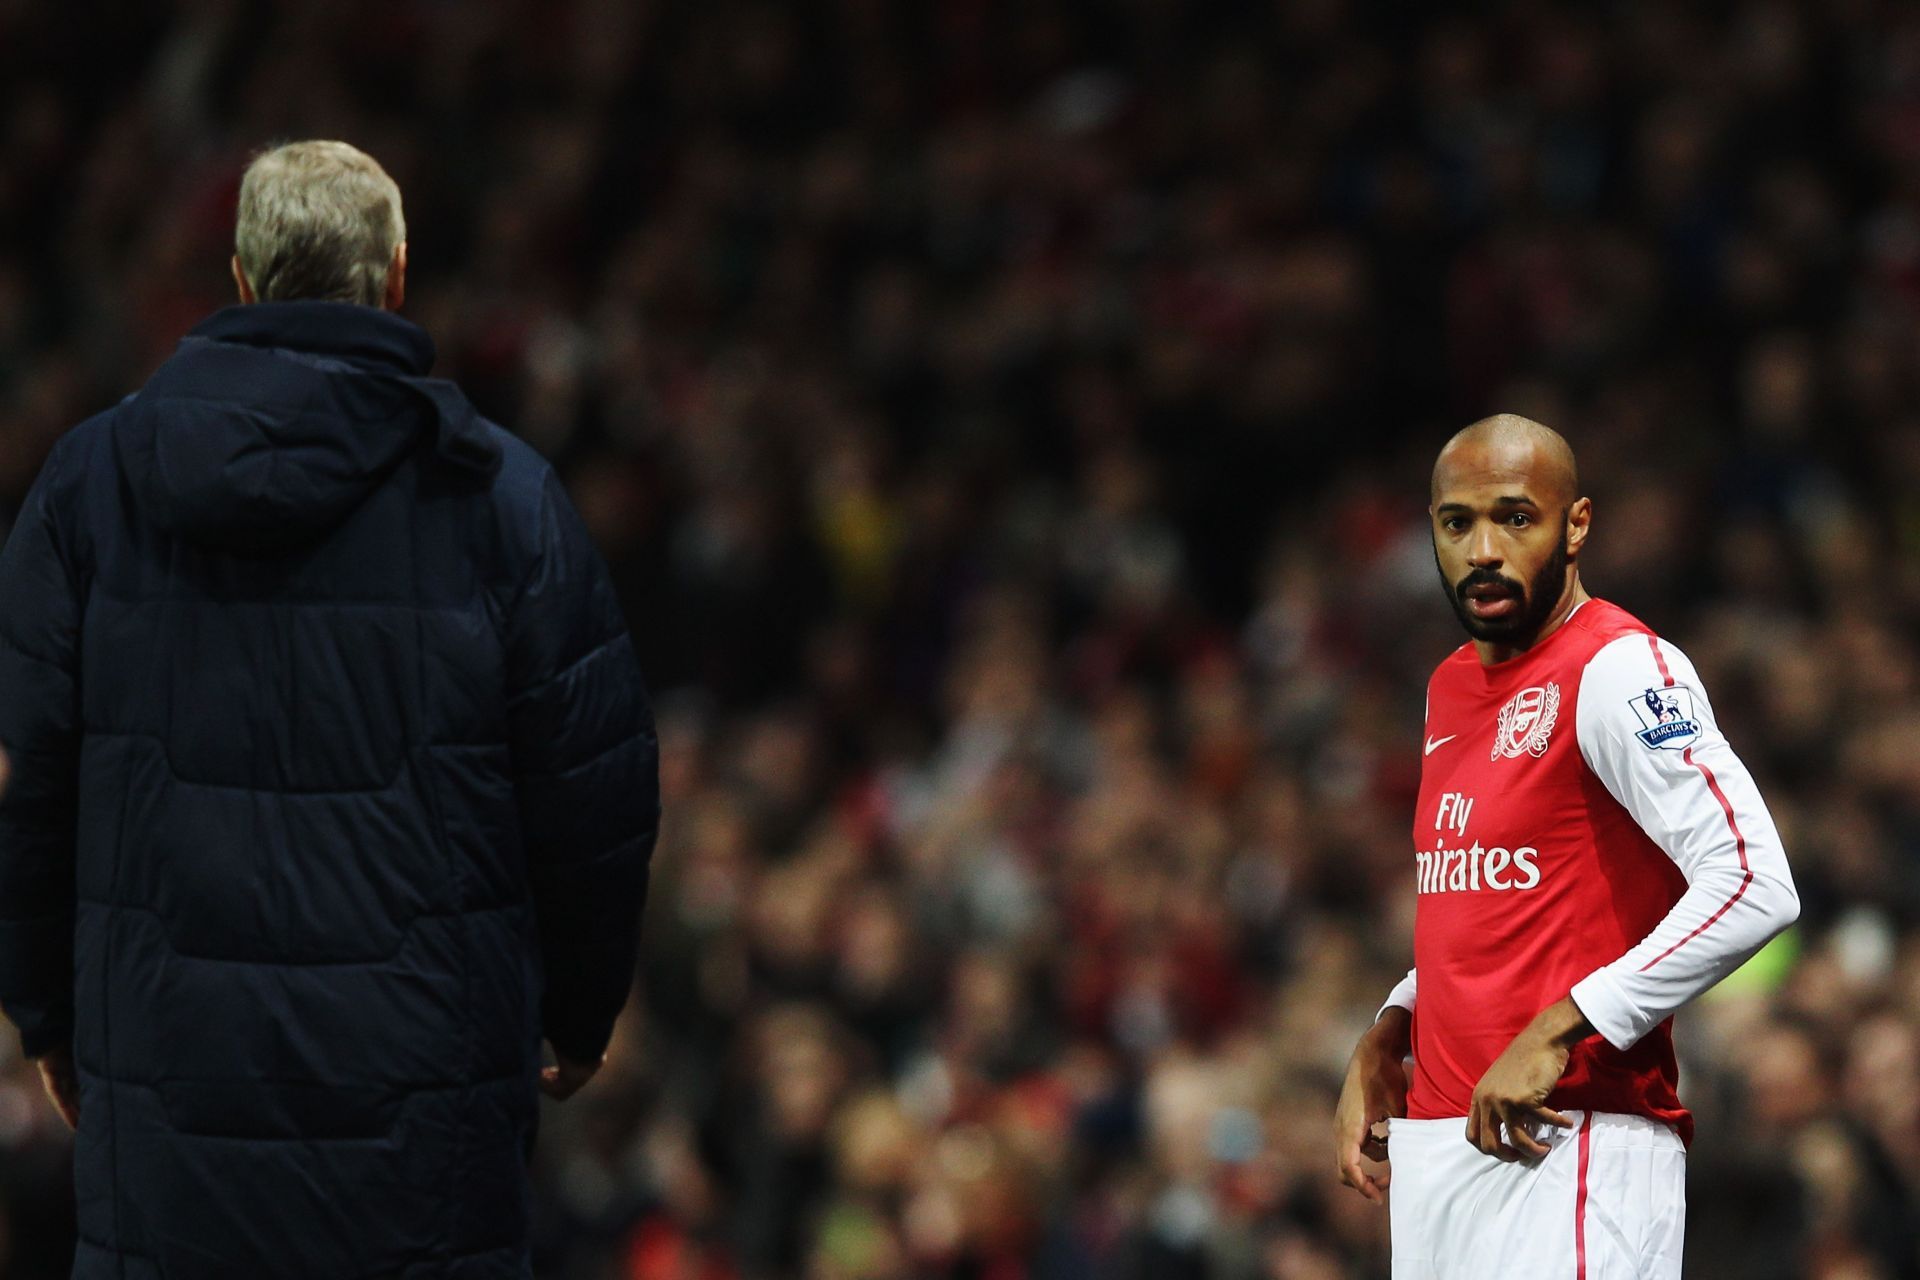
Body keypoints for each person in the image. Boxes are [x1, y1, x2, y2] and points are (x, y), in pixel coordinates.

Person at [0, 140, 659, 1279]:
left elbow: (29, 783)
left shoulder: (87, 486)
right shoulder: (503, 500)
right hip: (424, 1138)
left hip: (166, 1108)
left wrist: (47, 1018)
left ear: (243, 280)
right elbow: (594, 794)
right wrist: (582, 1011)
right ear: (395, 276)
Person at [1332, 416, 1799, 1278]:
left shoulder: (1619, 669)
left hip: (1571, 1147)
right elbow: (1486, 900)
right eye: (1456, 522)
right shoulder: (1448, 686)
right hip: (1442, 1153)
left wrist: (1563, 1025)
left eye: (1515, 518)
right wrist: (1392, 1025)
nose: (1482, 550)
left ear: (1576, 524)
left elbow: (1754, 882)